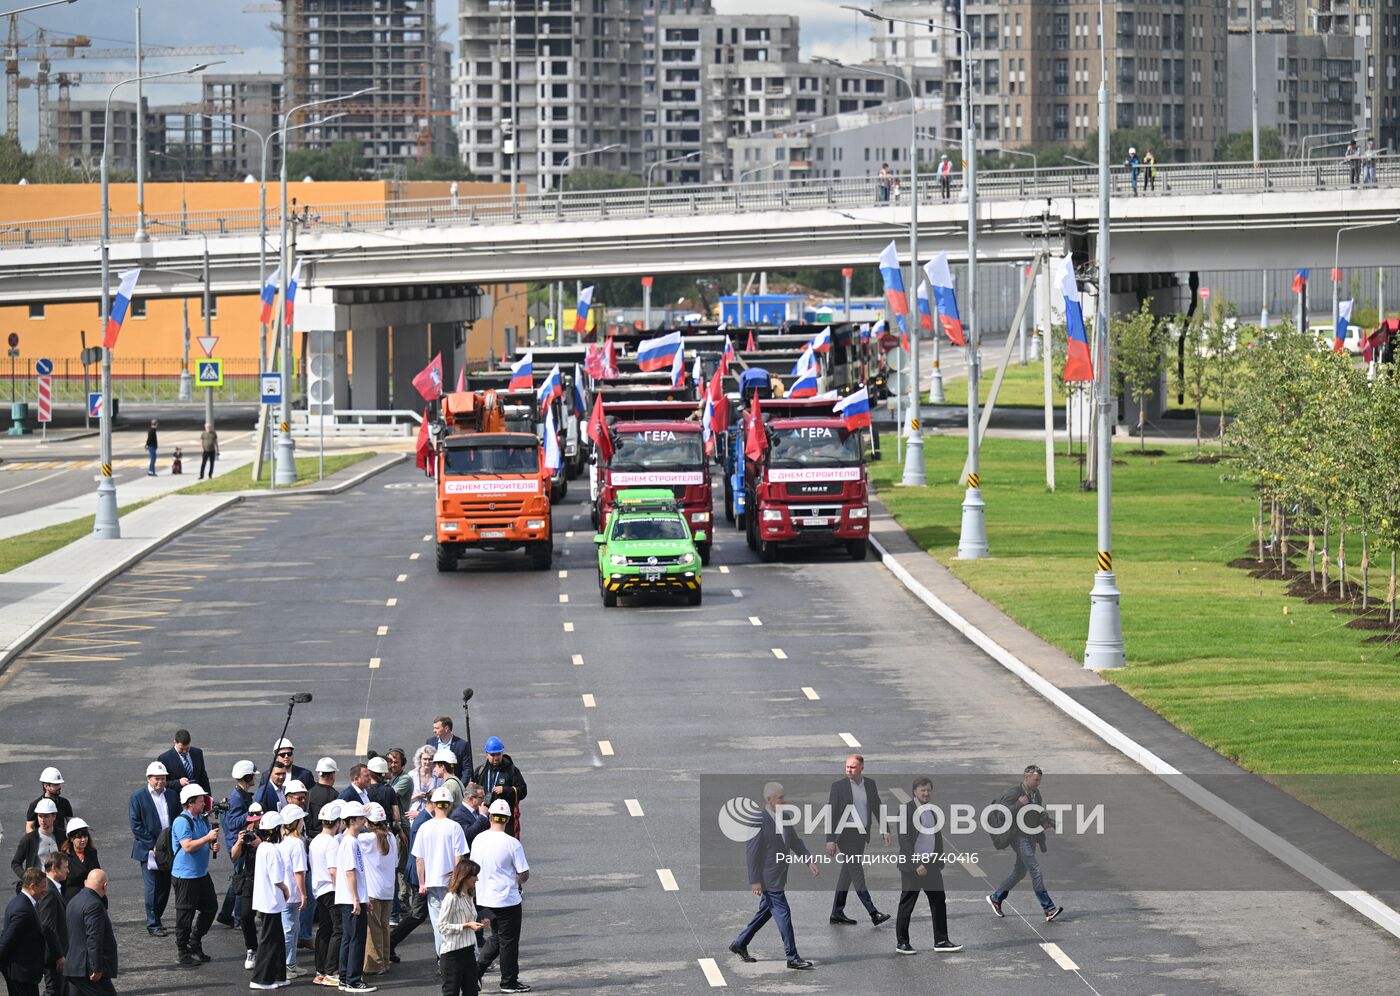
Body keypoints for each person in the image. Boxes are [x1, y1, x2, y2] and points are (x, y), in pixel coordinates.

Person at [729, 782, 819, 970]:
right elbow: (752, 853)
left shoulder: (784, 816)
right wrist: (755, 881)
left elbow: (794, 841)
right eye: (780, 797)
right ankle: (792, 957)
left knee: (765, 912)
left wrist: (809, 861)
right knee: (783, 913)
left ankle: (740, 943)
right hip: (767, 878)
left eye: (783, 796)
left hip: (779, 875)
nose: (783, 800)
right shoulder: (758, 820)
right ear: (769, 800)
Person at [987, 764, 1062, 922]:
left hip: (1030, 836)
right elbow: (1001, 813)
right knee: (1035, 870)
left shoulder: (1036, 793)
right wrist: (1019, 805)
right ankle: (1049, 908)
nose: (1037, 783)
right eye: (1035, 780)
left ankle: (996, 897)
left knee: (1019, 872)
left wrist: (1046, 821)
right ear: (1026, 778)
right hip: (1018, 837)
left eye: (1039, 780)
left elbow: (1037, 812)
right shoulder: (1014, 792)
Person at [894, 777, 961, 955]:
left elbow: (936, 837)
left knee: (938, 902)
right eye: (922, 790)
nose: (926, 793)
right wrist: (917, 863)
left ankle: (941, 940)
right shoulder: (906, 810)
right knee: (907, 903)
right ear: (914, 791)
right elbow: (904, 840)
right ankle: (902, 943)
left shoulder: (932, 811)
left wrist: (939, 860)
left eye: (928, 790)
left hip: (931, 864)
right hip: (913, 865)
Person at [472, 800, 530, 994]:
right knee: (509, 942)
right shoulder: (512, 843)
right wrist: (517, 880)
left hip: (483, 898)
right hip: (507, 900)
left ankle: (475, 972)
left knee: (497, 938)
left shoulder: (479, 839)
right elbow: (524, 874)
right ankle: (509, 981)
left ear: (490, 817)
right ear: (507, 819)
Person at [825, 754, 890, 927]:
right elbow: (831, 814)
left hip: (861, 835)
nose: (848, 769)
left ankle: (837, 912)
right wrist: (830, 840)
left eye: (852, 767)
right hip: (846, 836)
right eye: (847, 766)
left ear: (861, 768)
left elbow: (877, 806)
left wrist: (884, 829)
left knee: (847, 874)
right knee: (857, 873)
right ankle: (873, 912)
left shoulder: (869, 784)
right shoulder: (838, 787)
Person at [412, 788, 467, 961]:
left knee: (438, 924)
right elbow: (459, 857)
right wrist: (458, 880)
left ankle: (442, 958)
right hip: (450, 882)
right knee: (454, 920)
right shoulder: (455, 827)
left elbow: (419, 860)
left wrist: (422, 883)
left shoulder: (424, 827)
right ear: (450, 805)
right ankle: (453, 957)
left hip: (432, 882)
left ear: (434, 805)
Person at [170, 783, 219, 968]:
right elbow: (188, 846)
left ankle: (195, 941)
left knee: (210, 908)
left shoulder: (200, 819)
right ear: (190, 803)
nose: (204, 804)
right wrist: (207, 839)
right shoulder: (182, 821)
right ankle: (182, 951)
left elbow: (203, 842)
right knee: (185, 914)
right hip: (185, 876)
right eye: (200, 801)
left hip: (201, 874)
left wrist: (212, 845)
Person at [128, 761, 179, 937]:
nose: (160, 782)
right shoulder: (137, 797)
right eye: (157, 778)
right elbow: (136, 825)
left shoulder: (172, 795)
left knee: (164, 886)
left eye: (163, 778)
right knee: (152, 887)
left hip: (169, 849)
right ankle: (152, 923)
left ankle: (158, 918)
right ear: (149, 779)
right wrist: (154, 845)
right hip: (149, 850)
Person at [334, 801, 375, 994]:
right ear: (351, 821)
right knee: (356, 939)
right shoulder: (350, 842)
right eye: (360, 819)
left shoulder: (347, 840)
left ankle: (345, 977)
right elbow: (351, 872)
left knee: (348, 939)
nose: (364, 821)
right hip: (351, 899)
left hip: (349, 898)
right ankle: (353, 979)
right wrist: (357, 899)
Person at [249, 812, 288, 991]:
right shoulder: (272, 849)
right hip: (271, 900)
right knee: (269, 940)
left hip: (267, 899)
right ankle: (261, 978)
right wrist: (286, 889)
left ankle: (278, 975)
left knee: (277, 938)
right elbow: (277, 878)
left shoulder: (263, 847)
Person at [437, 859, 487, 996]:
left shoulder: (469, 895)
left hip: (469, 951)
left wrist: (481, 922)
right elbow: (442, 926)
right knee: (451, 992)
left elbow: (469, 919)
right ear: (464, 877)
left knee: (472, 991)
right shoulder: (451, 898)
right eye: (474, 875)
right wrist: (466, 926)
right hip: (452, 954)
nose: (477, 879)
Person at [218, 760, 259, 928]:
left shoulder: (239, 795)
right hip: (238, 845)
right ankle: (238, 918)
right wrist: (251, 816)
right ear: (247, 777)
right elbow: (232, 822)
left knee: (237, 879)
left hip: (237, 844)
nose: (255, 779)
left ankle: (226, 914)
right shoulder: (236, 798)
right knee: (241, 882)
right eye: (252, 776)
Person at [62, 870, 116, 996]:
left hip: (73, 966)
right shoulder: (94, 905)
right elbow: (93, 938)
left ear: (86, 882)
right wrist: (96, 967)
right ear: (105, 885)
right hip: (87, 970)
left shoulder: (74, 901)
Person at [359, 804, 397, 976]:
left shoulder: (367, 839)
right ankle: (384, 960)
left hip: (373, 890)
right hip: (388, 889)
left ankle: (374, 964)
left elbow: (348, 838)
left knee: (373, 928)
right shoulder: (391, 837)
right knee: (383, 927)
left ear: (367, 821)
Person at [308, 801, 343, 988]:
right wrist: (342, 892)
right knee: (339, 930)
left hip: (319, 891)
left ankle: (320, 971)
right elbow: (333, 870)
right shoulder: (331, 843)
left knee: (324, 930)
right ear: (337, 822)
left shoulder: (315, 841)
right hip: (332, 890)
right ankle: (331, 971)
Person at [2, 869, 49, 996]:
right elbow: (6, 941)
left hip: (23, 974)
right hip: (21, 976)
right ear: (33, 886)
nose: (45, 890)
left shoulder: (20, 902)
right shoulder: (23, 909)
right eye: (43, 886)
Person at [275, 805, 308, 980]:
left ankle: (291, 964)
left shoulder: (281, 841)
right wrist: (304, 894)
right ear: (296, 822)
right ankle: (287, 966)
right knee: (290, 930)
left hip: (282, 893)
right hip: (292, 894)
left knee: (291, 929)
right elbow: (299, 872)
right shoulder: (297, 843)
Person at [229, 809, 264, 972]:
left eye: (257, 819)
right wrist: (239, 842)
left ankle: (272, 948)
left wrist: (261, 843)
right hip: (250, 879)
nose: (254, 823)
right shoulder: (245, 833)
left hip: (267, 880)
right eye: (252, 819)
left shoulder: (272, 830)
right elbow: (234, 856)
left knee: (270, 917)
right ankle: (252, 948)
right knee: (245, 915)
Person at [471, 739, 526, 838]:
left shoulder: (512, 770)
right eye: (492, 755)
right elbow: (471, 792)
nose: (496, 757)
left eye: (498, 754)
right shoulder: (480, 771)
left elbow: (523, 790)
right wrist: (471, 787)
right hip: (485, 816)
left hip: (504, 819)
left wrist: (506, 790)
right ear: (486, 754)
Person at [10, 801, 64, 884]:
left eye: (46, 816)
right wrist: (26, 877)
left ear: (54, 816)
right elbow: (16, 863)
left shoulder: (63, 836)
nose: (42, 820)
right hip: (38, 887)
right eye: (40, 816)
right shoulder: (29, 839)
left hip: (60, 885)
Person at [36, 854, 67, 996]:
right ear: (54, 868)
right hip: (53, 956)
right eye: (65, 867)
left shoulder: (52, 887)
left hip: (56, 954)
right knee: (53, 990)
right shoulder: (49, 890)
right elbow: (48, 926)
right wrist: (59, 955)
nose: (68, 871)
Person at [58, 823, 99, 905]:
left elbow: (97, 872)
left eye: (85, 836)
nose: (83, 840)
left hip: (90, 899)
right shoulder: (64, 856)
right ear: (71, 839)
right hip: (71, 900)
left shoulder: (92, 853)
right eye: (79, 837)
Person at [25, 771, 71, 838]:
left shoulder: (65, 803)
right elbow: (29, 827)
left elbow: (71, 823)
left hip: (61, 844)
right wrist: (37, 841)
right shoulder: (35, 805)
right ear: (46, 786)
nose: (59, 787)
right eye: (56, 784)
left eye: (59, 784)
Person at [307, 758, 339, 836]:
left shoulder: (309, 793)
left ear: (318, 774)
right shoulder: (335, 795)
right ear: (332, 775)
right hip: (328, 836)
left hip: (310, 837)